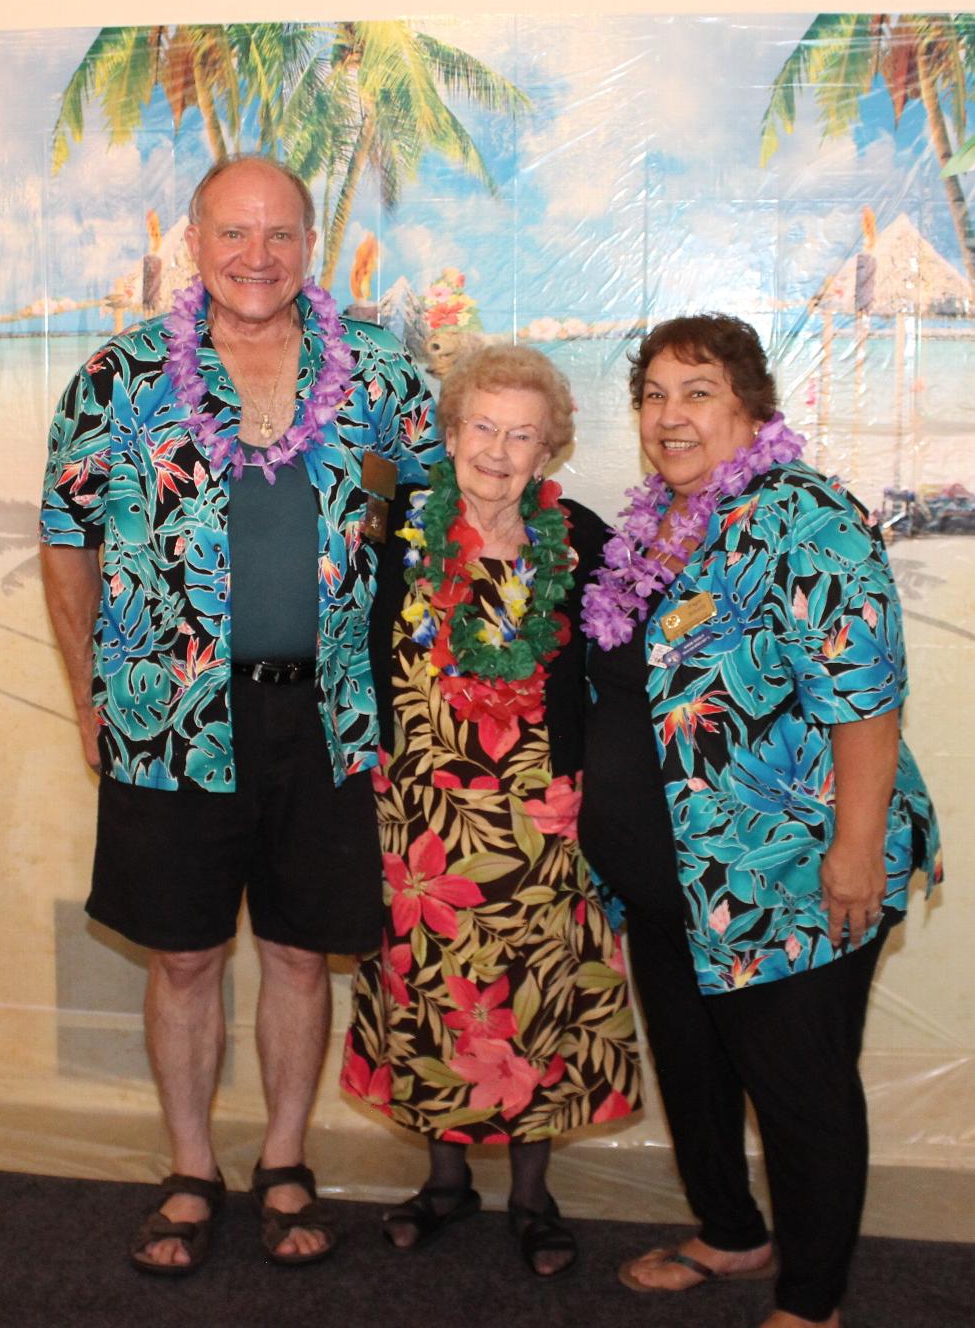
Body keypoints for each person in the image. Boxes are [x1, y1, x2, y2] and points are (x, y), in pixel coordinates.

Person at [39, 155, 441, 1275]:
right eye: (232, 232)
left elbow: (445, 524)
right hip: (167, 717)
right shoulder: (118, 379)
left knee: (303, 955)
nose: (254, 255)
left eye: (278, 233)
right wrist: (87, 700)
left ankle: (282, 1157)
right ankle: (185, 1167)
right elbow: (66, 542)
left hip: (329, 718)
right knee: (182, 958)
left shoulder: (379, 376)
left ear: (309, 243)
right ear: (193, 241)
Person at [578, 314, 941, 1328]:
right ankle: (731, 1233)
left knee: (798, 1089)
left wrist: (855, 850)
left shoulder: (804, 515)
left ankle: (812, 1299)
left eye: (695, 390)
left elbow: (864, 699)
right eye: (651, 392)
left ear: (751, 404)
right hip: (671, 882)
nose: (667, 414)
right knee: (693, 1072)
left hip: (782, 868)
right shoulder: (655, 524)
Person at [340, 344, 642, 1278]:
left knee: (536, 999)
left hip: (543, 817)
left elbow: (622, 677)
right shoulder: (397, 534)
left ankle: (533, 1197)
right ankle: (443, 1184)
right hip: (423, 812)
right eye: (483, 426)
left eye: (522, 433)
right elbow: (352, 656)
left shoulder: (585, 540)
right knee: (434, 993)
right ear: (451, 429)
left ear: (550, 447)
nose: (499, 451)